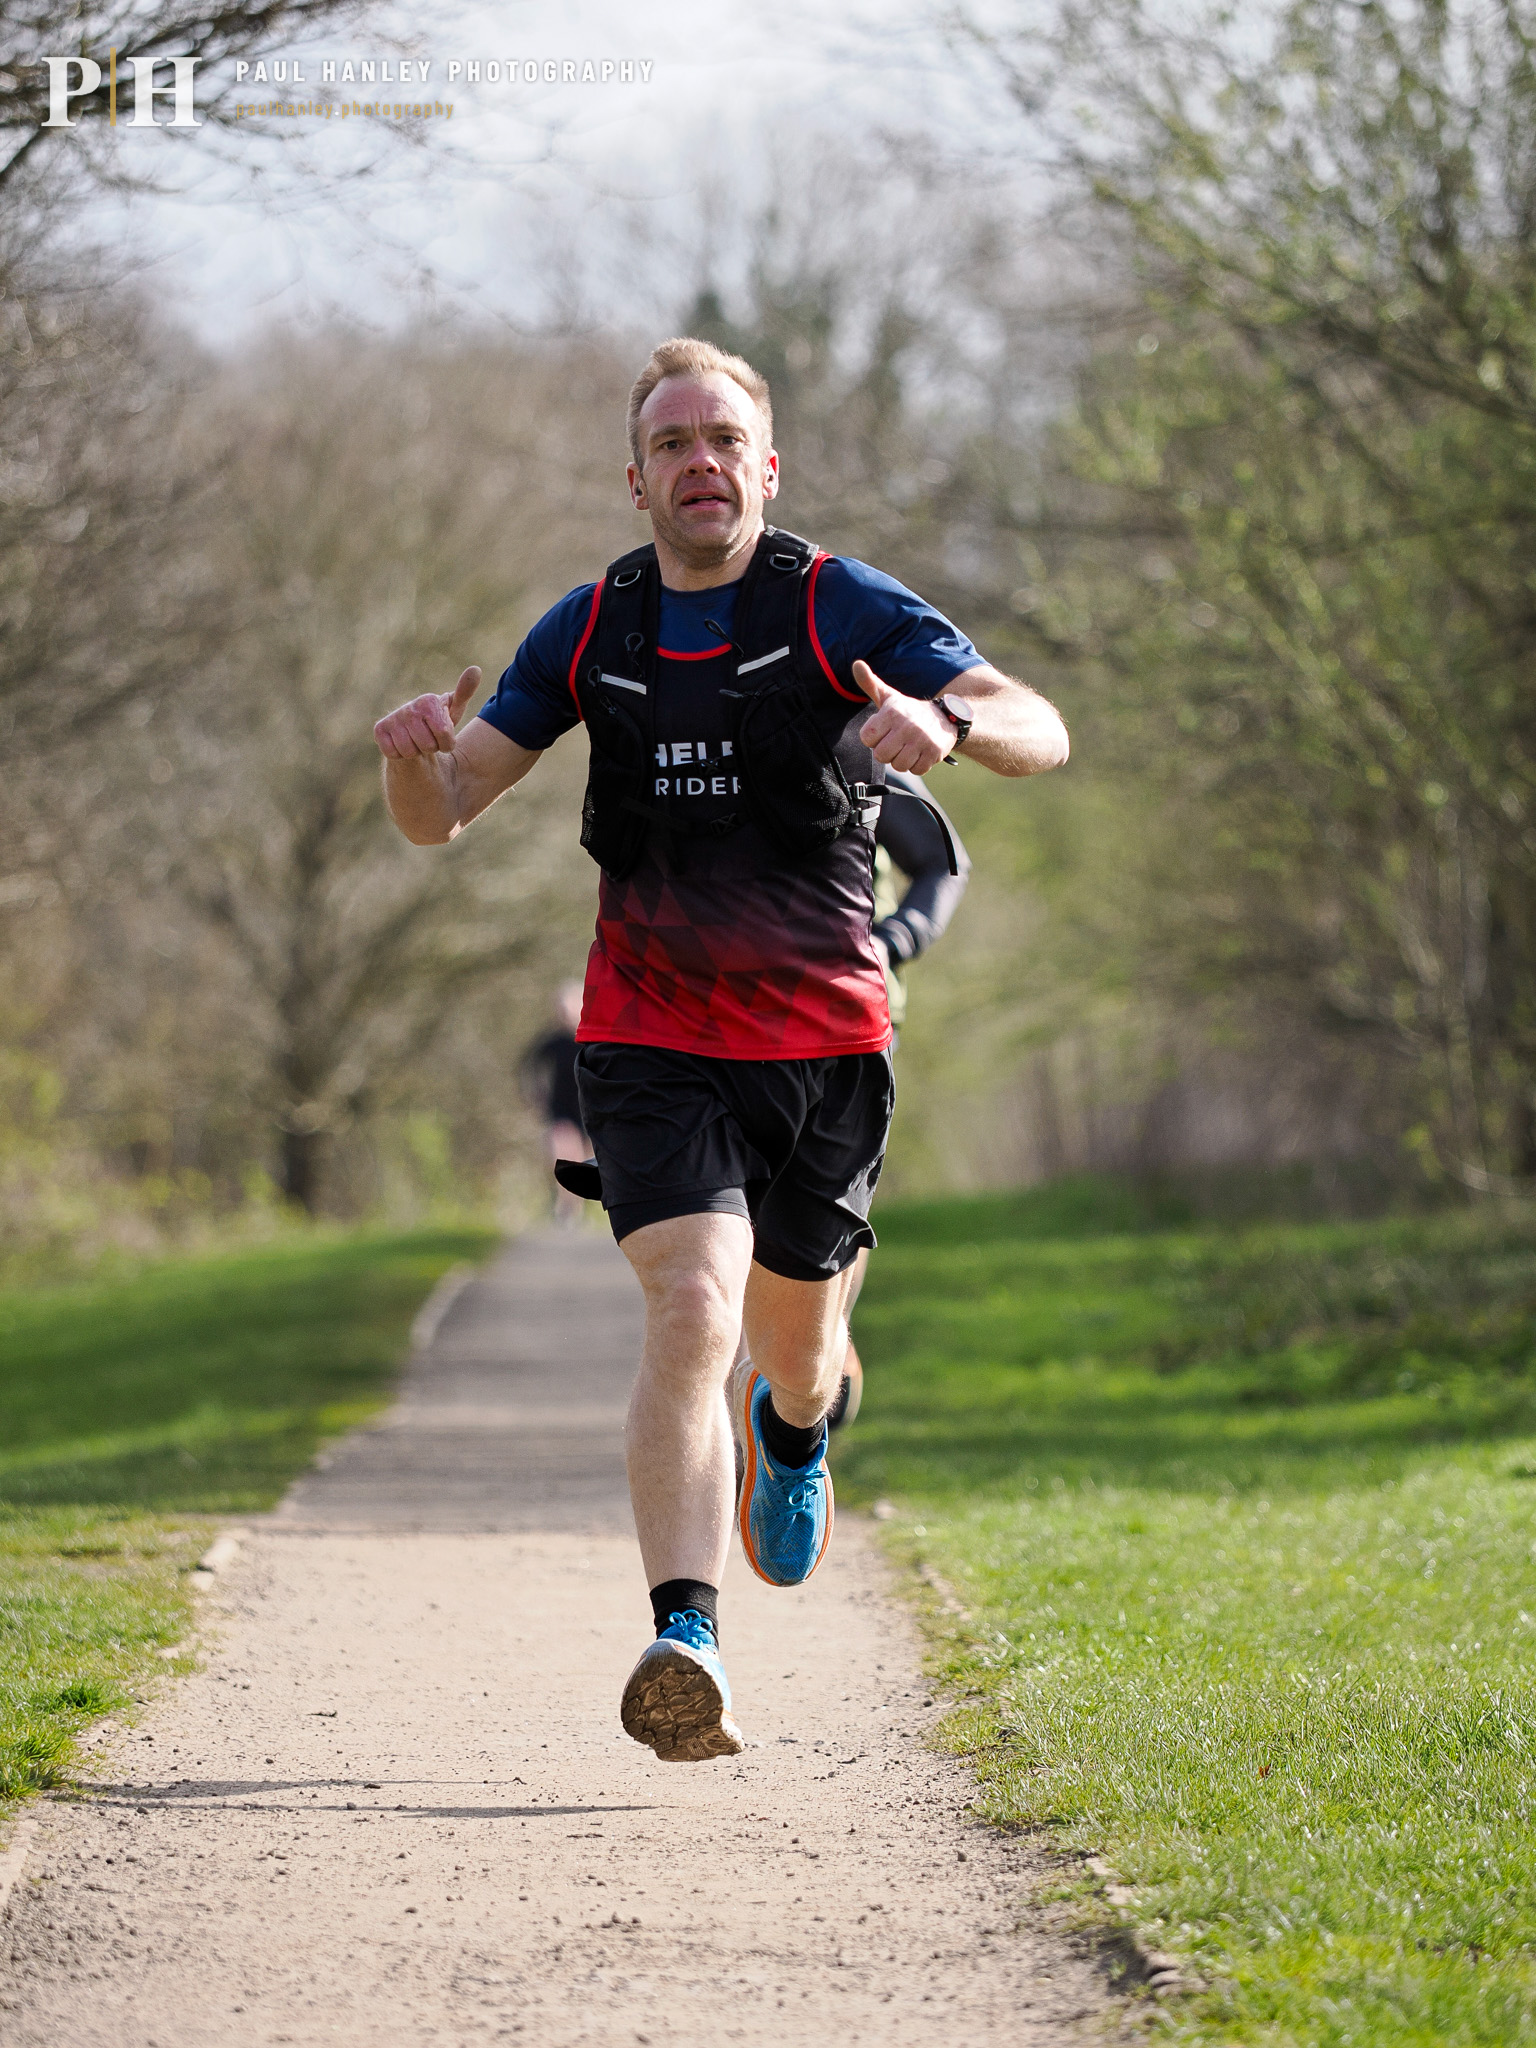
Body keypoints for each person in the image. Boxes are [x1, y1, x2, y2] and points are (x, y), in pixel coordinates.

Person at [372, 336, 1069, 1763]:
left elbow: (1038, 724)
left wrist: (944, 716)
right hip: (649, 1032)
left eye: (723, 439)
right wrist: (408, 754)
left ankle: (797, 1433)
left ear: (767, 466)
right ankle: (684, 1638)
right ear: (636, 478)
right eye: (673, 443)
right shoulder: (592, 630)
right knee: (691, 1301)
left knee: (798, 1354)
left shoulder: (835, 605)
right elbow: (443, 812)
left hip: (824, 1043)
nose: (701, 462)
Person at [519, 980, 589, 1224]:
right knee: (562, 1150)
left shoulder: (592, 1037)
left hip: (589, 1107)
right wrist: (535, 1094)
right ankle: (565, 1206)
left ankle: (574, 1204)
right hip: (560, 1108)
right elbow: (528, 1064)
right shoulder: (553, 1041)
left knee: (580, 1157)